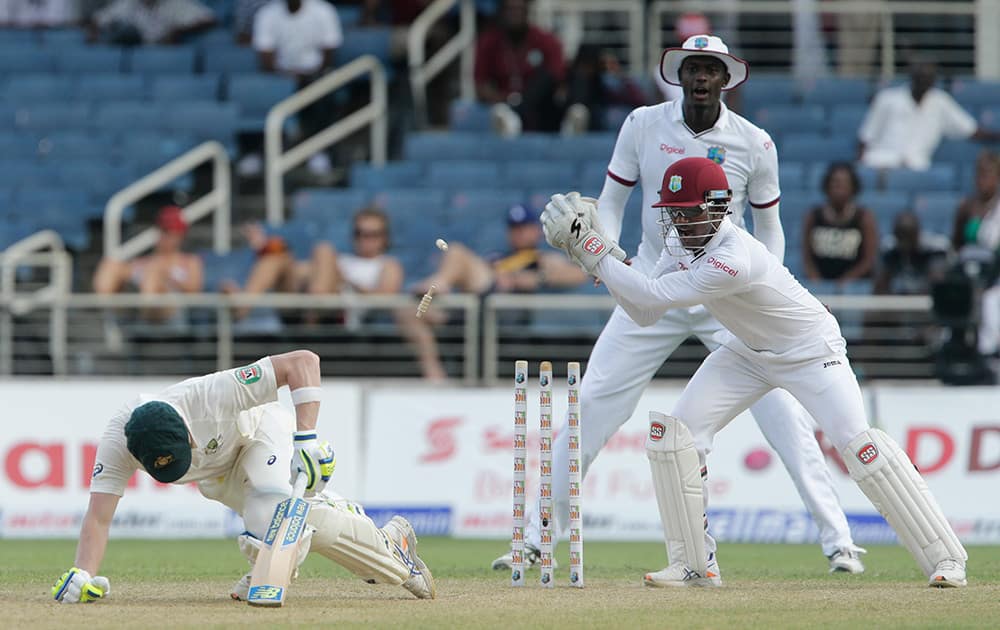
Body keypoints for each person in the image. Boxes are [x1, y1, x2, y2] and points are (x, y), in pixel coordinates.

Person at [492, 34, 865, 576]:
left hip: (723, 294)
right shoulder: (643, 124)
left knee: (784, 416)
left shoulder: (755, 142)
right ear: (679, 74)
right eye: (692, 68)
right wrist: (610, 260)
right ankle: (534, 537)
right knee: (593, 404)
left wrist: (761, 292)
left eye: (711, 69)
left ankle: (839, 543)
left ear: (725, 79)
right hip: (654, 279)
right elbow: (614, 200)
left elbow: (770, 229)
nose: (700, 78)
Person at [540, 157, 968, 588]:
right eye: (673, 213)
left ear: (718, 206)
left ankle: (946, 559)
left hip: (810, 352)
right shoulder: (679, 245)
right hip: (746, 350)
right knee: (675, 438)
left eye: (690, 212)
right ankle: (695, 564)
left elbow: (650, 295)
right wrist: (606, 258)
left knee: (861, 448)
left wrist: (591, 251)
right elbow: (645, 312)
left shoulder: (733, 258)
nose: (681, 224)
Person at [50, 349, 435, 604]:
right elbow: (98, 518)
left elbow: (303, 361)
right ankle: (389, 543)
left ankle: (287, 546)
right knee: (298, 521)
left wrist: (306, 442)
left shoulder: (212, 393)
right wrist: (82, 575)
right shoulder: (118, 443)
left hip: (260, 435)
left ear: (187, 431)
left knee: (269, 513)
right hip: (220, 477)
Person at [398, 203, 587, 381]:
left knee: (456, 252)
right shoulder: (497, 256)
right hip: (475, 308)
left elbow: (579, 275)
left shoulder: (541, 259)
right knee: (408, 311)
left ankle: (438, 283)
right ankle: (436, 378)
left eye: (524, 228)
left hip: (505, 312)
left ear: (536, 231)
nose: (519, 233)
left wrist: (532, 278)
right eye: (514, 228)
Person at [224, 207, 403, 324]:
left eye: (372, 234)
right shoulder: (342, 259)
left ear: (384, 237)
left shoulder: (387, 264)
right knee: (276, 257)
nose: (364, 239)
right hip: (306, 301)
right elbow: (301, 271)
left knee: (323, 249)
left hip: (340, 313)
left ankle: (317, 300)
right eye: (359, 233)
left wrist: (345, 280)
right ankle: (242, 305)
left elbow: (384, 298)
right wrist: (267, 249)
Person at [244, 0, 343, 179]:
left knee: (320, 92)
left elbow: (329, 52)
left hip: (315, 74)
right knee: (255, 92)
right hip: (279, 77)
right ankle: (259, 152)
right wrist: (287, 75)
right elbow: (265, 56)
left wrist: (307, 75)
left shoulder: (323, 10)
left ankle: (319, 151)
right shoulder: (267, 13)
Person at [858, 59, 1000, 172]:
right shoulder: (887, 98)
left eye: (927, 77)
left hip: (916, 168)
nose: (923, 80)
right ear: (912, 77)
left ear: (933, 80)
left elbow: (971, 130)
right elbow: (865, 137)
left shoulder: (940, 102)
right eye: (920, 76)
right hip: (882, 163)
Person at [92, 205, 204, 325]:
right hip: (136, 303)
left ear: (181, 236)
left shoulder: (189, 261)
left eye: (171, 232)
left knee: (154, 272)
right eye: (163, 231)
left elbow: (194, 290)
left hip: (172, 311)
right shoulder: (145, 260)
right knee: (111, 264)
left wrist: (165, 275)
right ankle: (100, 309)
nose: (166, 237)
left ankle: (145, 314)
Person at [474, 0, 566, 136]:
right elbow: (481, 84)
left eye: (519, 9)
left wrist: (523, 102)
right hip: (502, 102)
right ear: (502, 12)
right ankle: (512, 116)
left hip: (539, 106)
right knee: (499, 110)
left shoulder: (545, 40)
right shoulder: (489, 42)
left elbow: (557, 76)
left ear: (527, 11)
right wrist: (504, 99)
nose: (515, 14)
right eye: (510, 9)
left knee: (545, 78)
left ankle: (516, 116)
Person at [802, 162, 879, 285]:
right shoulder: (813, 216)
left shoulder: (864, 217)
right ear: (827, 185)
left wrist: (846, 281)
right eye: (835, 182)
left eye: (844, 183)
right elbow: (807, 258)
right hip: (821, 285)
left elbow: (868, 261)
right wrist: (816, 281)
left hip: (854, 287)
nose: (838, 187)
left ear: (853, 187)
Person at [88, 0, 216, 45]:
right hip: (133, 53)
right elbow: (97, 19)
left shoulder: (175, 4)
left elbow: (210, 19)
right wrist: (94, 34)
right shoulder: (127, 4)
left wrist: (179, 31)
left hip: (165, 58)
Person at [951, 150, 1000, 252]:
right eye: (978, 174)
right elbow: (956, 245)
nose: (981, 180)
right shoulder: (966, 206)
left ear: (997, 177)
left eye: (987, 175)